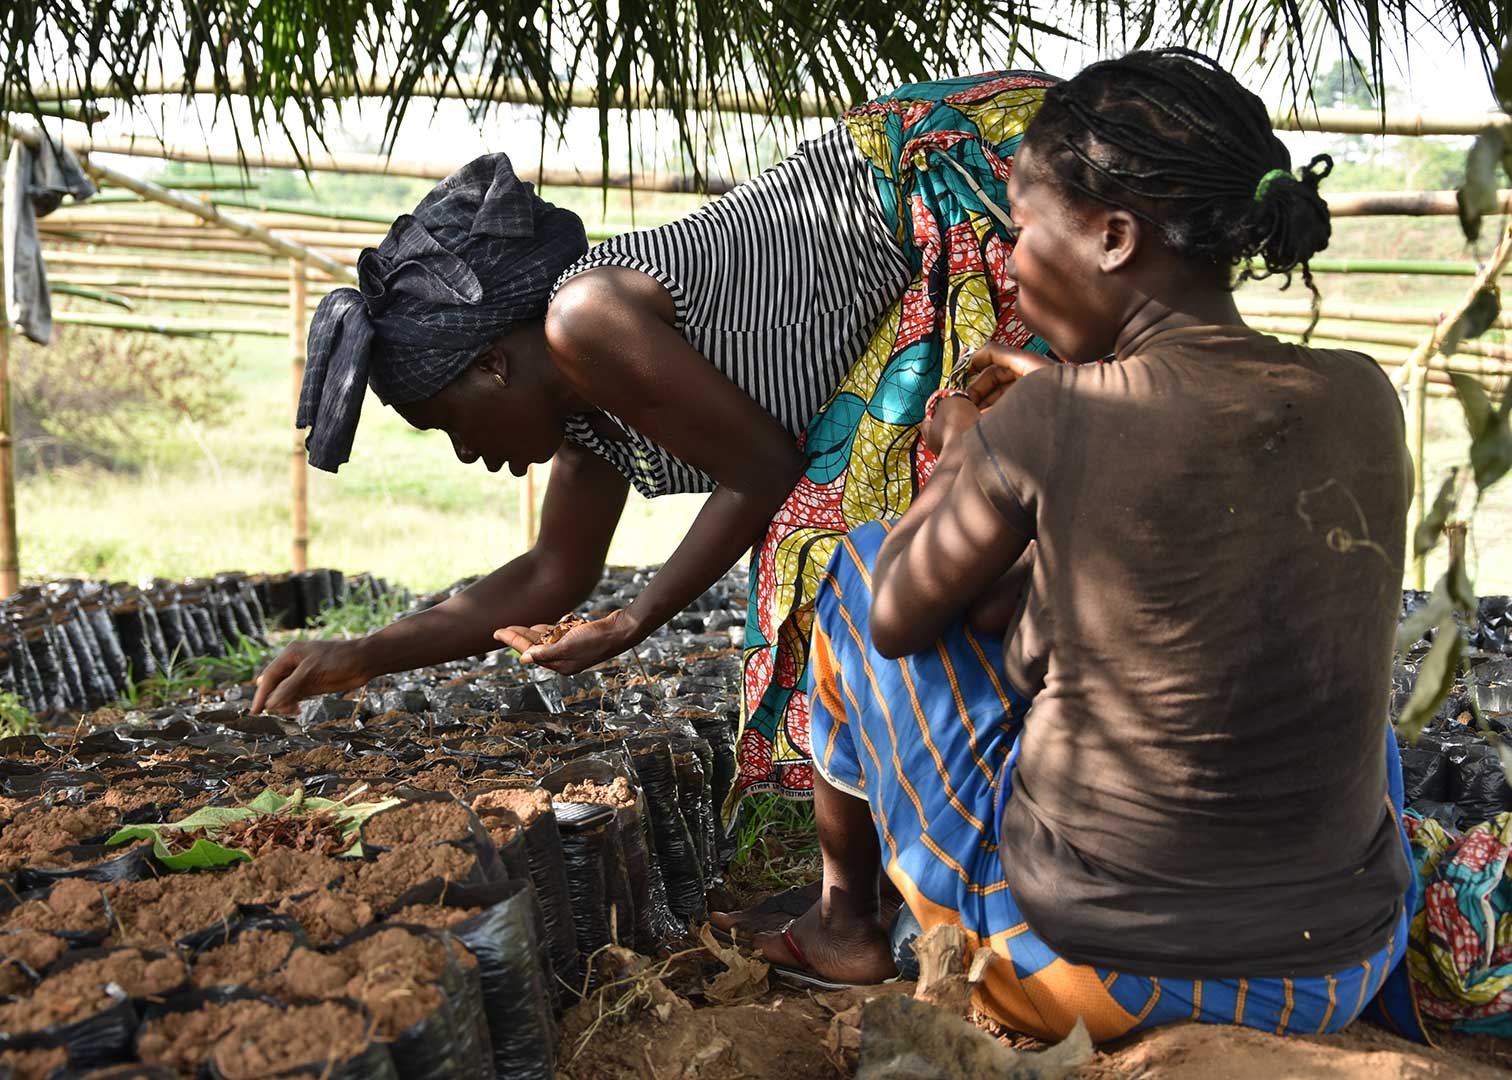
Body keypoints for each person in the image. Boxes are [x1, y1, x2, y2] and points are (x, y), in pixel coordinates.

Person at [748, 48, 1426, 1044]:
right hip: (1336, 967)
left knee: (855, 566)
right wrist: (1043, 433)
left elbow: (897, 618)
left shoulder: (1054, 418)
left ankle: (845, 921)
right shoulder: (1364, 394)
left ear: (1114, 237)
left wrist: (967, 451)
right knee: (1306, 658)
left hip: (1090, 974)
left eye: (1023, 231)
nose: (1015, 264)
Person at [251, 71, 1059, 831]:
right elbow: (552, 572)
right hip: (925, 249)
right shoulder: (589, 419)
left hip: (956, 184)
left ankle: (941, 857)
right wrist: (366, 654)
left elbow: (763, 471)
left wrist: (634, 621)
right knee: (860, 552)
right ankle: (892, 872)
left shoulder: (586, 317)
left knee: (825, 552)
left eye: (451, 425)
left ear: (493, 364)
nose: (467, 453)